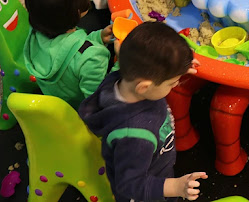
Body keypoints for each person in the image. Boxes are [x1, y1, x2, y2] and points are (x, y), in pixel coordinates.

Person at [79, 22, 207, 202]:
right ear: (144, 87)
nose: (176, 84)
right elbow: (130, 185)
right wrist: (175, 187)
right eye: (172, 83)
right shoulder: (134, 136)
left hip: (154, 164)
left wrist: (177, 67)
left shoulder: (121, 78)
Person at [23, 0, 112, 110]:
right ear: (78, 12)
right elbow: (99, 102)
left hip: (59, 99)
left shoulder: (35, 32)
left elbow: (69, 50)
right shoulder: (93, 58)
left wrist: (98, 38)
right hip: (82, 111)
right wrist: (120, 64)